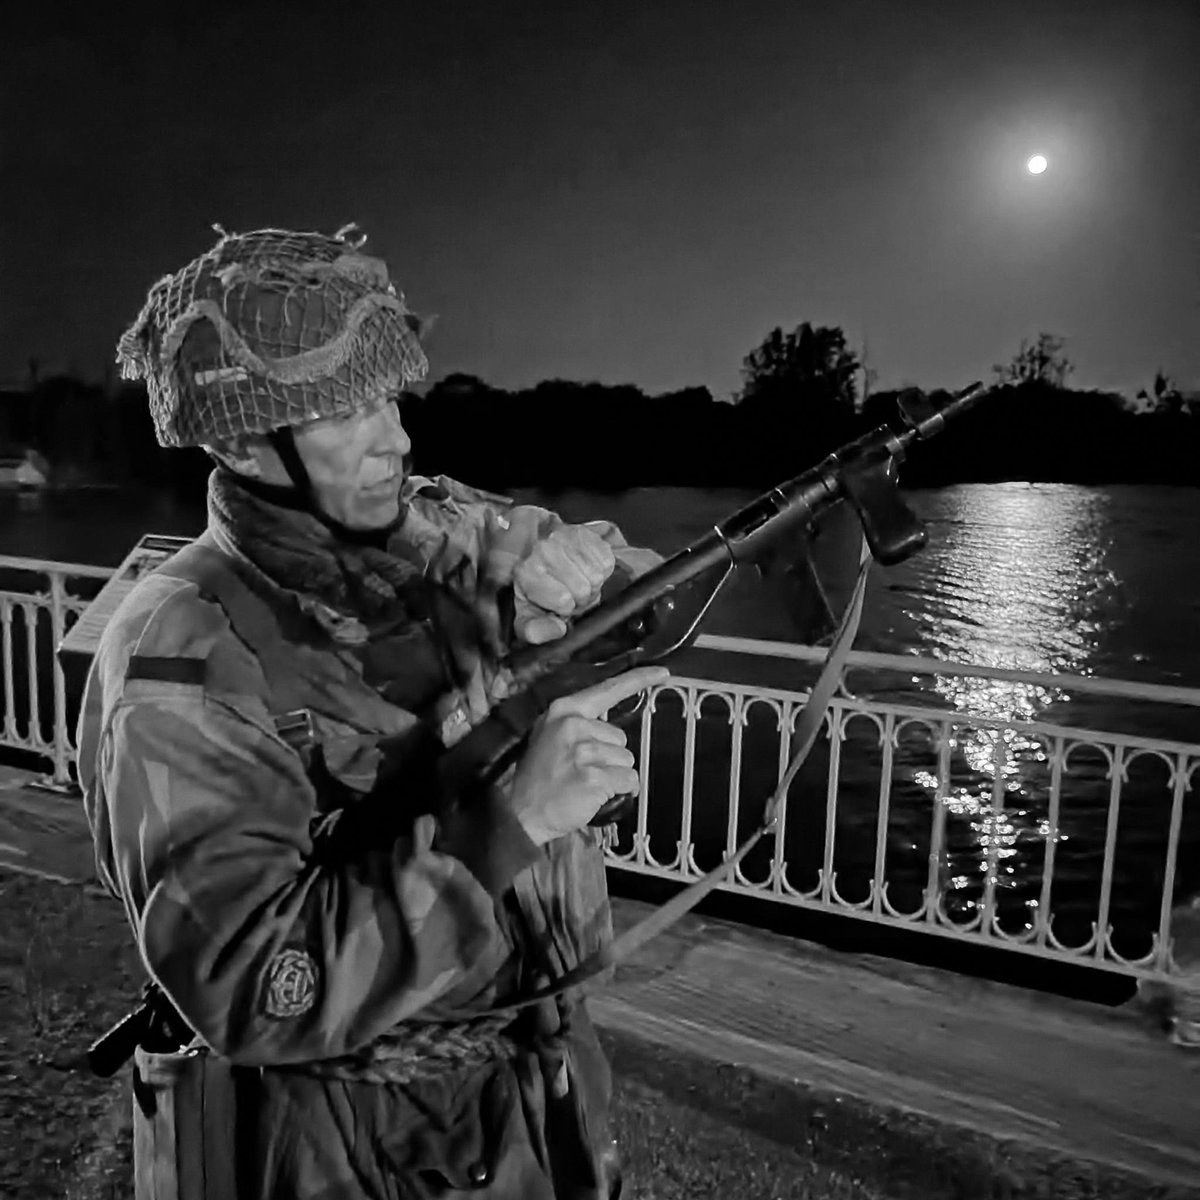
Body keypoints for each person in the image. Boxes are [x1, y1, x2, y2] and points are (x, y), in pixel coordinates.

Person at [75, 224, 667, 1199]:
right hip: (347, 1139)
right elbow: (249, 984)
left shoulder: (445, 532)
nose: (396, 436)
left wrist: (590, 578)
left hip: (539, 1095)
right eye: (347, 412)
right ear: (237, 441)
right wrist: (509, 825)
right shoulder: (184, 649)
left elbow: (650, 602)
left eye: (389, 398)